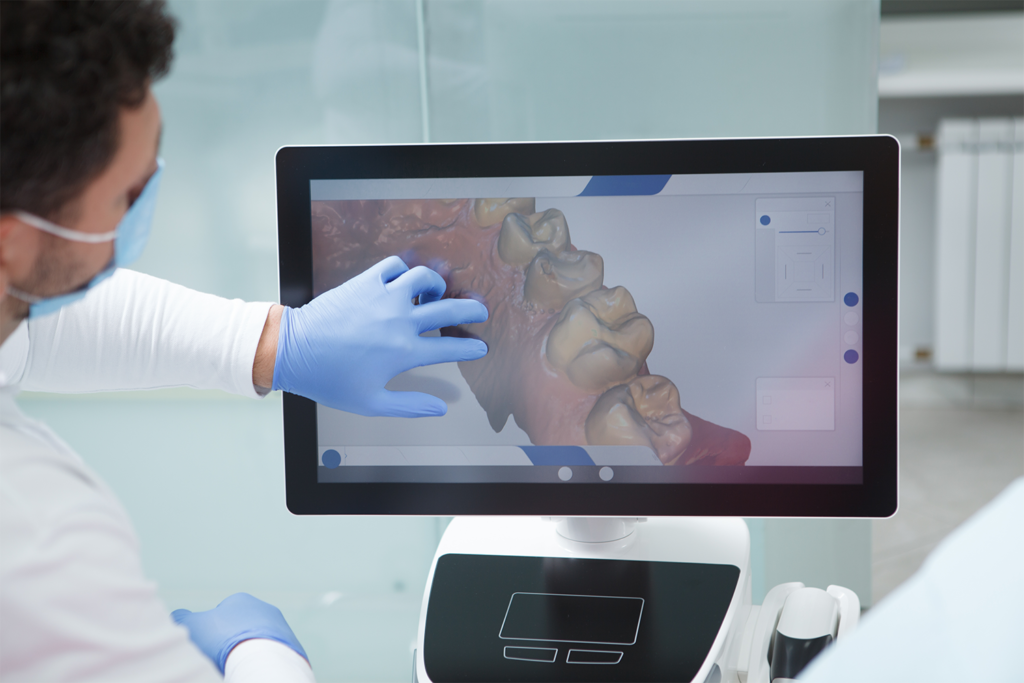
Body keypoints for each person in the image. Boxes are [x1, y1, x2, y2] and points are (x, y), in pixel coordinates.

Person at [0, 2, 487, 681]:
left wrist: (275, 341)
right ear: (13, 239)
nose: (144, 210)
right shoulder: (33, 537)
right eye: (123, 198)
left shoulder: (15, 275)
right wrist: (262, 650)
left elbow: (29, 318)